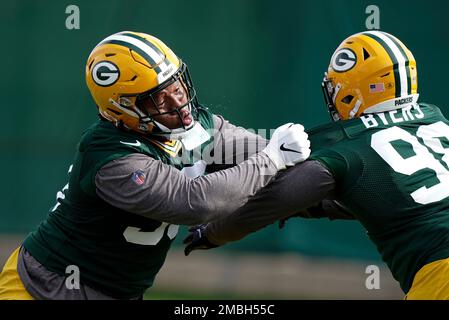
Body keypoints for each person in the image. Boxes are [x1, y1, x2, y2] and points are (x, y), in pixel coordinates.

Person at [0, 31, 311, 300]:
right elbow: (196, 202)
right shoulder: (111, 155)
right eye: (160, 99)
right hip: (44, 289)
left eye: (177, 87)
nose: (179, 104)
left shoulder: (195, 126)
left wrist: (323, 166)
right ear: (123, 107)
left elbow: (261, 150)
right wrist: (273, 158)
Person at [184, 31, 449, 300]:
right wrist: (310, 207)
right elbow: (403, 202)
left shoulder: (346, 141)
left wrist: (214, 233)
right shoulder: (435, 120)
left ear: (350, 91)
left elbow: (280, 197)